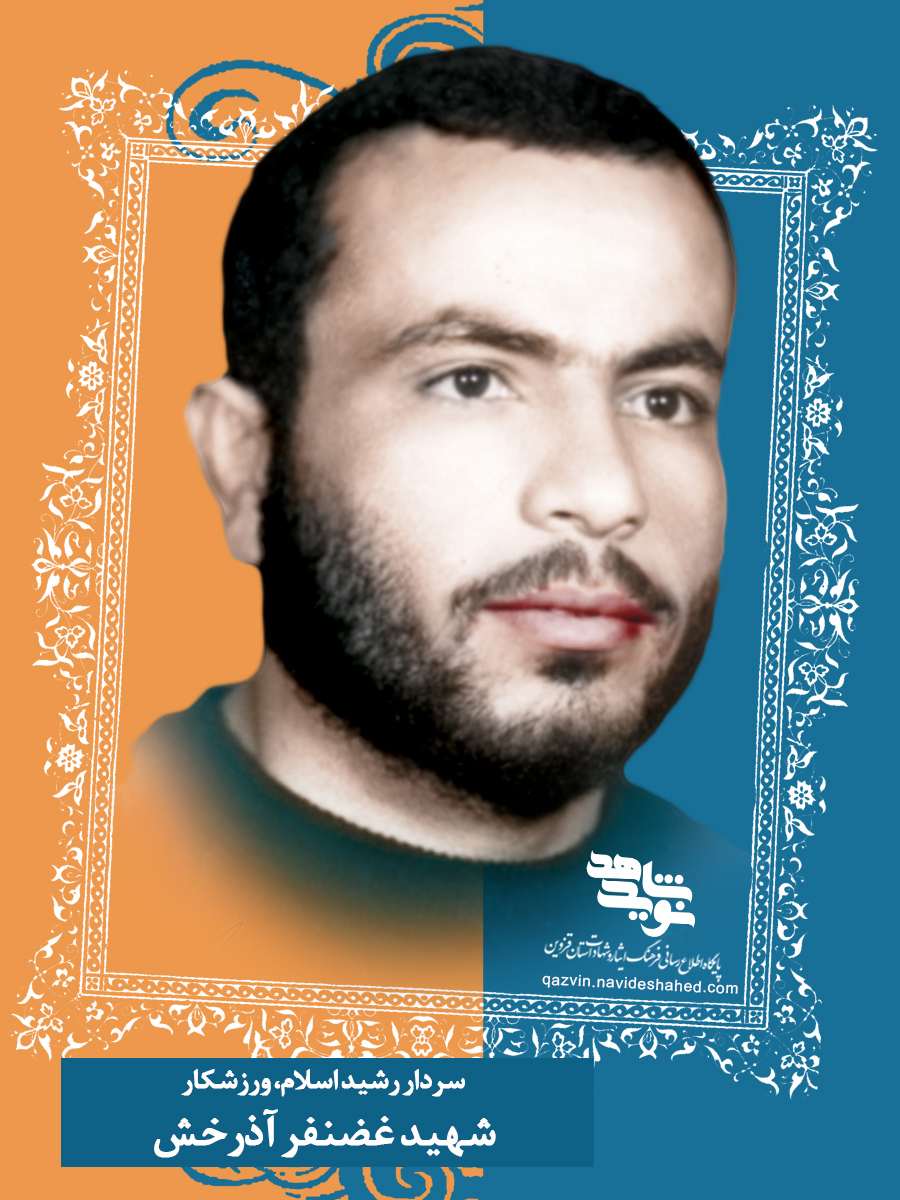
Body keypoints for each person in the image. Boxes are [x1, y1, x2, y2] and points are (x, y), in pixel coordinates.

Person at [113, 46, 745, 993]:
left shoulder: (787, 959)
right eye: (473, 380)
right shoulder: (58, 899)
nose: (610, 493)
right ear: (244, 463)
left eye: (663, 399)